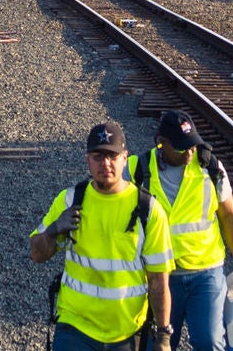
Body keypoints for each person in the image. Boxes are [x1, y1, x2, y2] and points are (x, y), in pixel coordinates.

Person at [32, 122, 175, 351]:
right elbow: (37, 254)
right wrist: (54, 229)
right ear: (88, 159)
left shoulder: (148, 210)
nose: (105, 163)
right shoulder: (69, 200)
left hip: (127, 333)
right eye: (98, 156)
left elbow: (159, 281)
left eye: (112, 156)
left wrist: (163, 336)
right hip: (75, 327)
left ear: (125, 158)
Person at [128, 111, 233, 351]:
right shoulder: (137, 169)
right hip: (159, 275)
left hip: (206, 273)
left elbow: (229, 215)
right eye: (182, 147)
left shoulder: (211, 167)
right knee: (159, 345)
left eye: (192, 144)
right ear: (160, 142)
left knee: (210, 342)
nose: (190, 152)